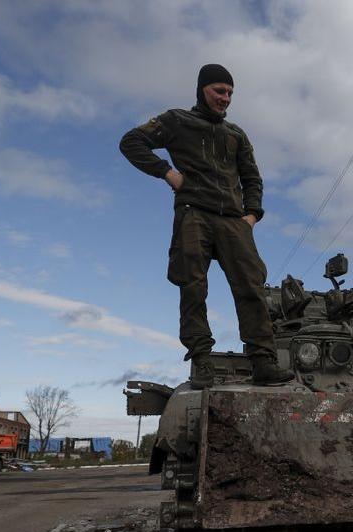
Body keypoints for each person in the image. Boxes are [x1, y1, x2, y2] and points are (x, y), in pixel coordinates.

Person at [119, 63, 293, 388]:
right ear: (202, 89)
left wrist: (252, 215)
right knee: (193, 287)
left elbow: (252, 177)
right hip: (194, 212)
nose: (225, 98)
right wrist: (167, 173)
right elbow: (131, 142)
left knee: (252, 287)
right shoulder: (177, 120)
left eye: (230, 93)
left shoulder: (236, 134)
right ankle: (201, 361)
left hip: (233, 221)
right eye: (219, 91)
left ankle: (263, 361)